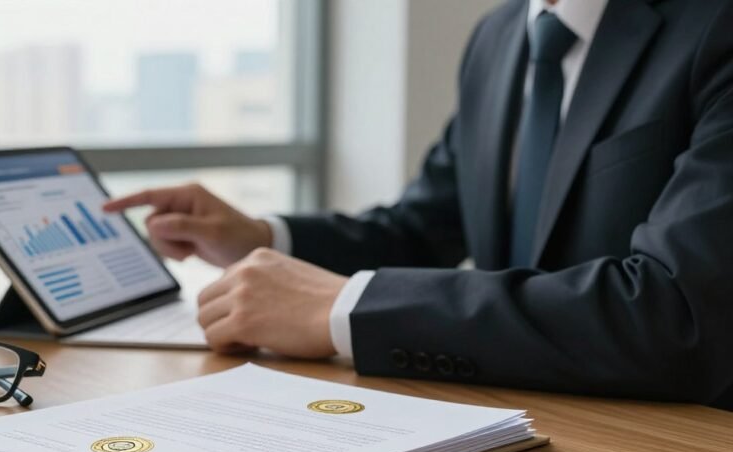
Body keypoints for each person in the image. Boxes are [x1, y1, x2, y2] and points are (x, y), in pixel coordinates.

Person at [104, 0, 733, 409]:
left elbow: (675, 312)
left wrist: (343, 308)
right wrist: (260, 236)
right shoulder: (497, 37)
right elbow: (421, 228)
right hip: (513, 426)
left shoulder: (714, 27)